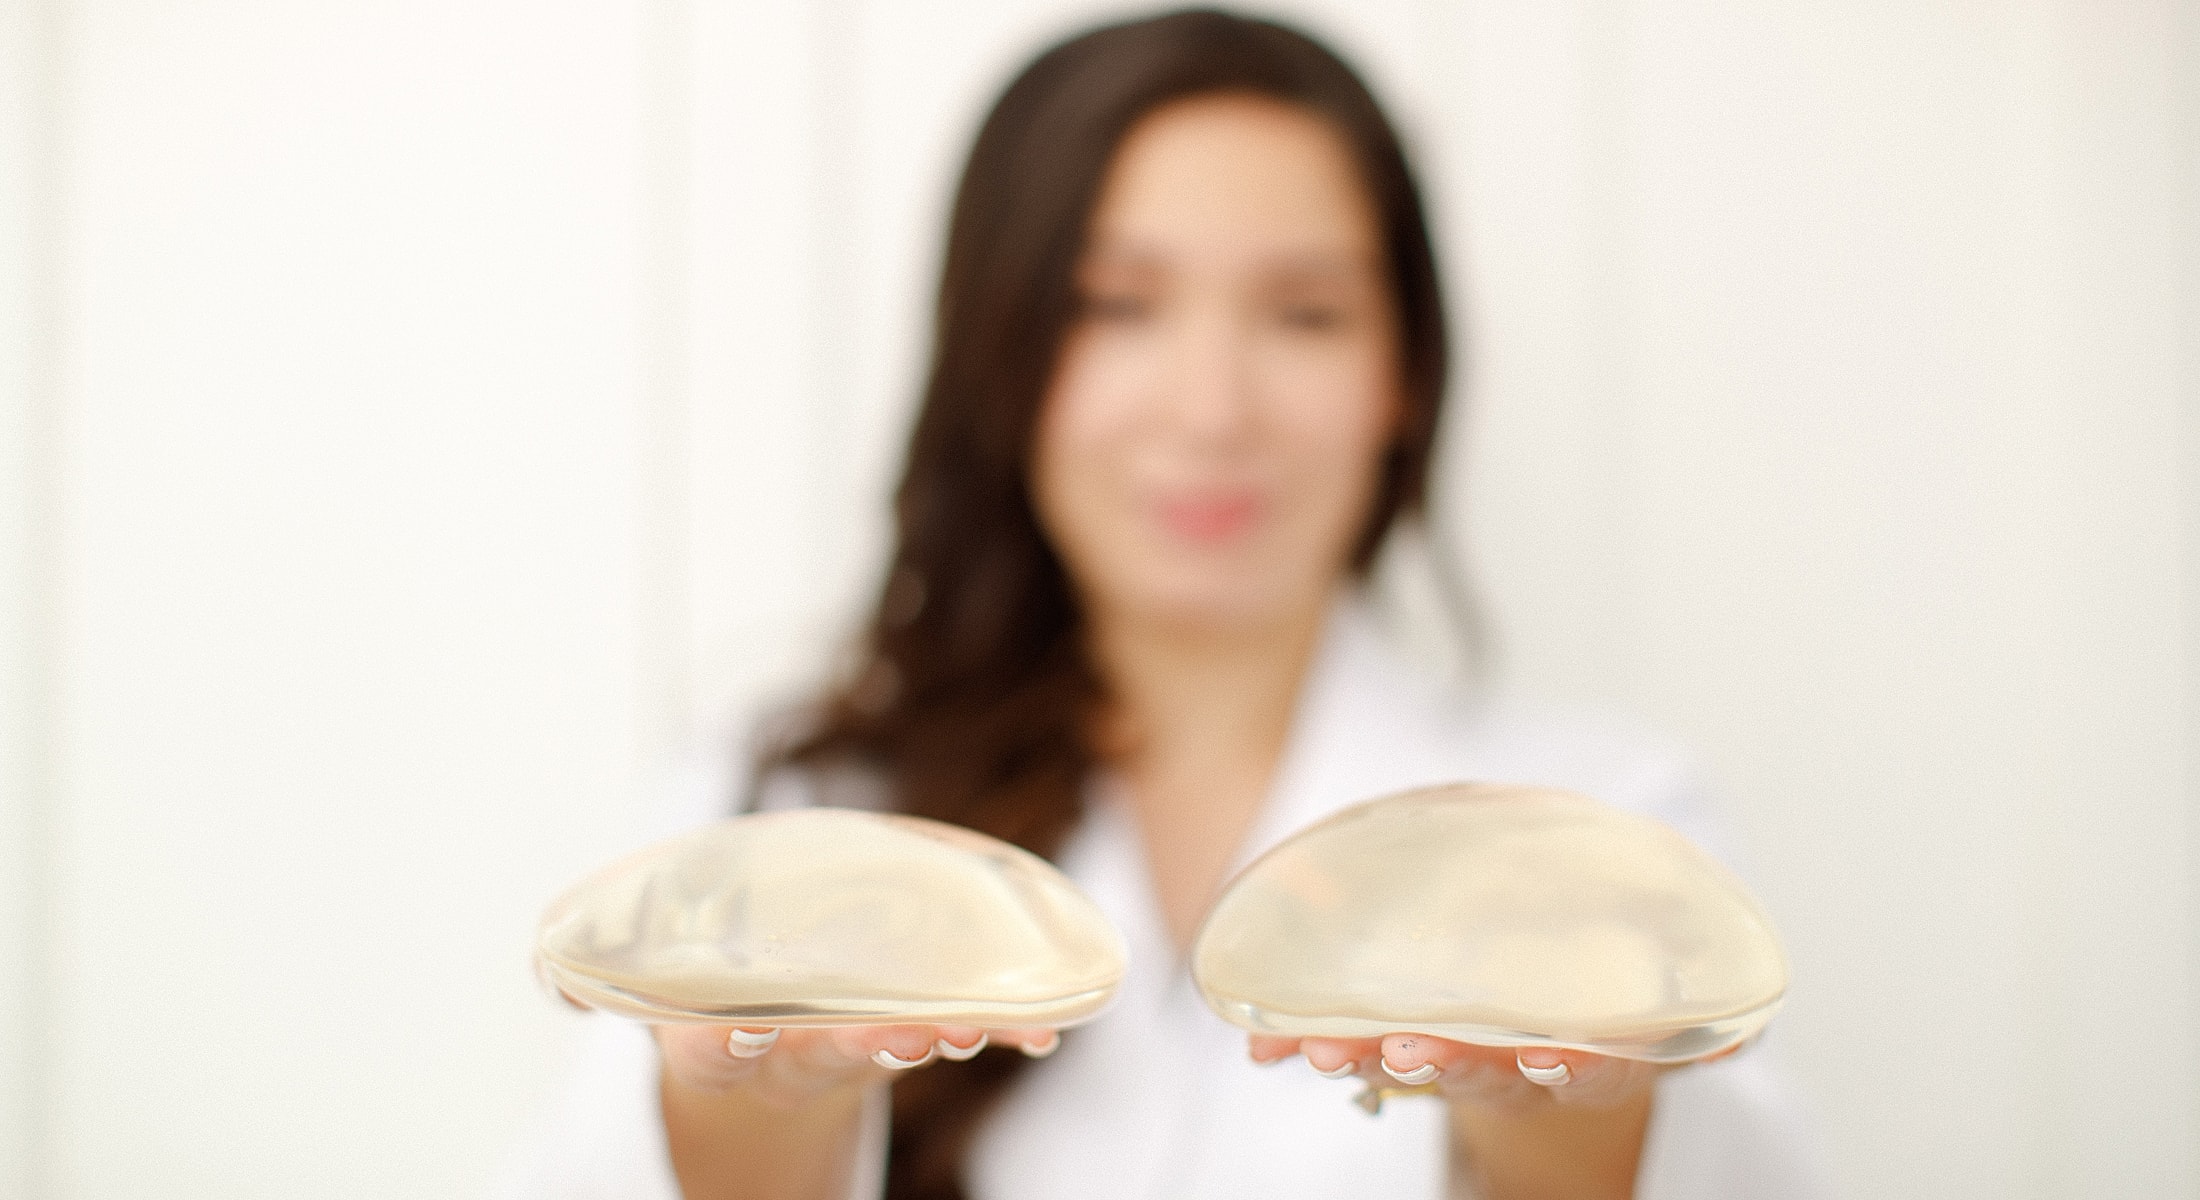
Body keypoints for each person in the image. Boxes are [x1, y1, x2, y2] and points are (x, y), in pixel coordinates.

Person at [504, 10, 1825, 1200]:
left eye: (1304, 314)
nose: (1211, 409)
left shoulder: (1616, 831)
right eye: (1115, 306)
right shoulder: (777, 817)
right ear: (1000, 358)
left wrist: (1563, 1124)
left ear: (1403, 374)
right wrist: (753, 1114)